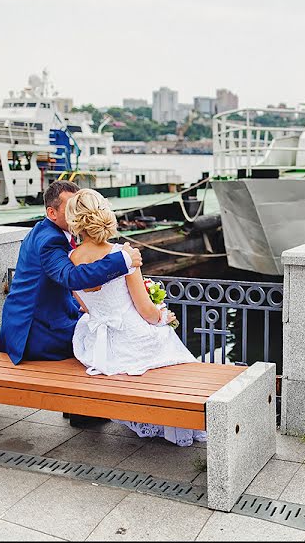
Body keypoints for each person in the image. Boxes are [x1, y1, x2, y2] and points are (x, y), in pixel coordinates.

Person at [65, 188, 206, 447]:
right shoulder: (123, 254)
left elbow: (84, 306)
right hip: (129, 339)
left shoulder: (71, 258)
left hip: (97, 343)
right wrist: (163, 316)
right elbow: (146, 311)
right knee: (166, 339)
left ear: (77, 222)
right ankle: (175, 419)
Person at [0, 181, 142, 367]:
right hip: (35, 336)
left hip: (28, 323)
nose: (77, 212)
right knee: (110, 339)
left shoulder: (44, 230)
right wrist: (123, 260)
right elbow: (71, 278)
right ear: (52, 212)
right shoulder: (50, 240)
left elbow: (51, 283)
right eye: (71, 208)